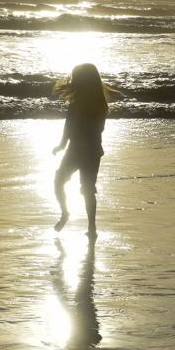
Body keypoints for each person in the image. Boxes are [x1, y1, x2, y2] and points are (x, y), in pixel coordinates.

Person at [51, 63, 119, 237]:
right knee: (88, 189)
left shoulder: (79, 102)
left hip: (77, 150)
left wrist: (62, 145)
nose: (73, 81)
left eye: (76, 78)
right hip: (93, 150)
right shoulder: (100, 103)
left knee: (61, 180)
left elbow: (68, 127)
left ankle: (67, 213)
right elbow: (98, 128)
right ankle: (91, 228)